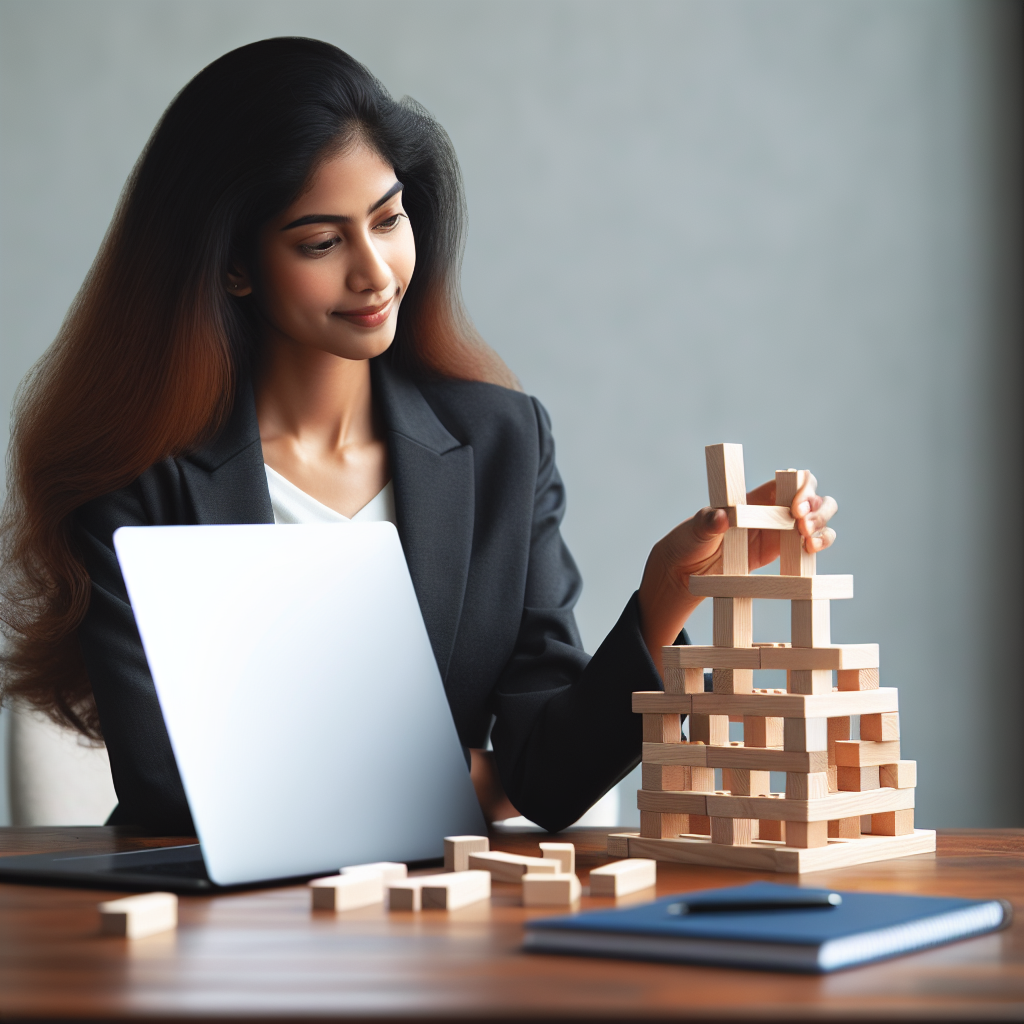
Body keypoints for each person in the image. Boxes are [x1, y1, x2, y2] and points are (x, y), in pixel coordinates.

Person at [0, 38, 837, 835]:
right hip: (209, 933)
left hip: (437, 927)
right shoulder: (139, 480)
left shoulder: (504, 444)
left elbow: (546, 776)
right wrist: (462, 780)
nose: (374, 271)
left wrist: (663, 600)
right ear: (232, 265)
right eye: (322, 242)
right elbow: (169, 788)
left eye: (388, 219)